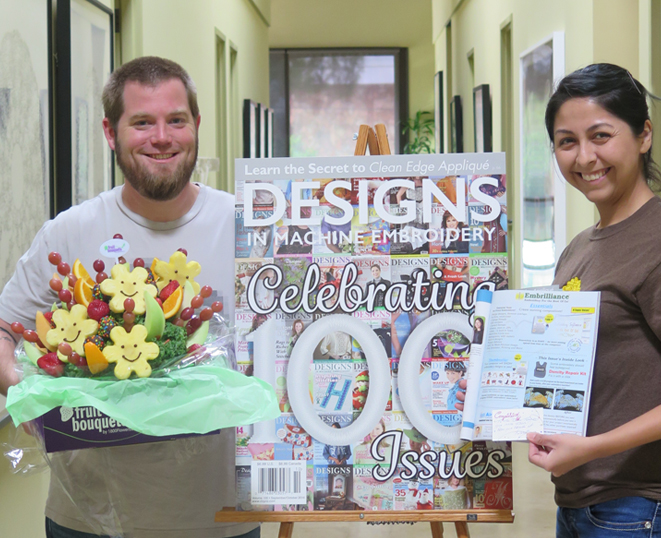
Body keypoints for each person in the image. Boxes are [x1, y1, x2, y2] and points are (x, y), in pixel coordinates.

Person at [0, 57, 258, 538]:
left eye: (176, 120)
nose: (161, 137)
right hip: (87, 522)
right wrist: (29, 392)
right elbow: (4, 328)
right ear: (110, 132)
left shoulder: (248, 225)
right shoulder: (70, 232)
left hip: (222, 519)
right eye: (142, 122)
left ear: (196, 125)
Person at [526, 63, 661, 537]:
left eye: (601, 136)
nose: (585, 157)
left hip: (637, 508)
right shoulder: (580, 246)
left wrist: (592, 448)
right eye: (567, 142)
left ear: (644, 135)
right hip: (581, 503)